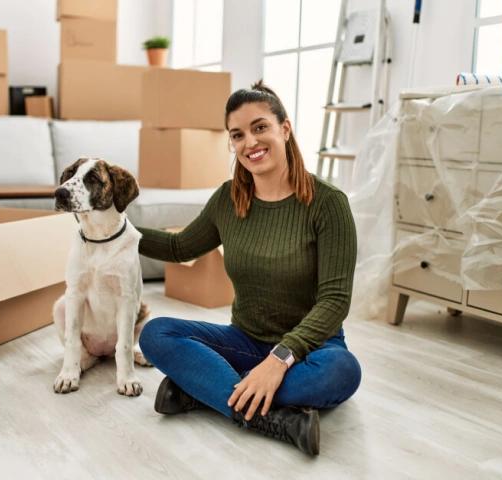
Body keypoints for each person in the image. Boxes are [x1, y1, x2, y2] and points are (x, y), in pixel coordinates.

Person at [137, 81, 361, 456]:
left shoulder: (328, 204)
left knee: (343, 372)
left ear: (284, 129)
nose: (250, 143)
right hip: (243, 342)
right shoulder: (229, 199)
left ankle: (204, 390)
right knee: (156, 334)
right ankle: (269, 415)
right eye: (237, 135)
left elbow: (335, 299)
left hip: (311, 350)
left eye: (260, 128)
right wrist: (113, 229)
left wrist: (280, 359)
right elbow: (179, 247)